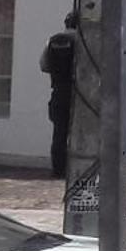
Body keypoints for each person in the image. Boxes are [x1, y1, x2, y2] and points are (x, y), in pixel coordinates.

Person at [40, 12, 79, 177]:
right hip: (79, 94)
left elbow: (44, 66)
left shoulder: (53, 40)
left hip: (58, 91)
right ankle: (78, 168)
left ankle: (58, 169)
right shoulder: (82, 40)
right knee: (81, 132)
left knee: (59, 132)